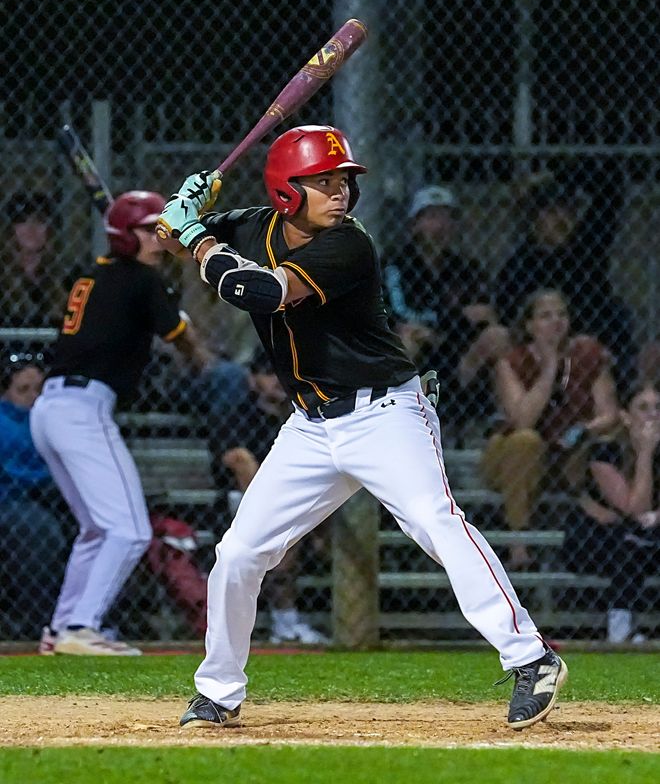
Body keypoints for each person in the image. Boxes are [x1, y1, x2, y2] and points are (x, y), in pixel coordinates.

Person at [156, 124, 567, 731]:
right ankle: (219, 692)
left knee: (435, 521)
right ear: (286, 193)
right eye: (322, 181)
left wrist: (195, 234)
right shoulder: (250, 226)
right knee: (238, 552)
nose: (339, 190)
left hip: (385, 414)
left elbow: (262, 290)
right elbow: (176, 241)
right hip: (310, 427)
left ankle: (531, 657)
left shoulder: (348, 246)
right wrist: (184, 212)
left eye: (342, 179)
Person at [30, 190, 211, 656]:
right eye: (149, 229)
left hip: (53, 410)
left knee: (97, 529)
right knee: (129, 530)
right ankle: (80, 628)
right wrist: (186, 330)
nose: (159, 236)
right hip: (82, 410)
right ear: (125, 236)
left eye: (160, 228)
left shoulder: (99, 273)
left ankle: (62, 628)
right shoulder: (141, 280)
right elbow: (187, 347)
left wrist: (171, 310)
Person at [482, 289, 619, 569]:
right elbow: (522, 420)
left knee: (614, 433)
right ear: (529, 325)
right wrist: (550, 368)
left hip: (567, 452)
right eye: (545, 316)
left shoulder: (588, 354)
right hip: (513, 456)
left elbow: (609, 413)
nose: (556, 321)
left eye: (561, 314)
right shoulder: (510, 362)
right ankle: (518, 545)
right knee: (526, 441)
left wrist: (584, 428)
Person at [207, 348, 330, 644]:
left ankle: (287, 622)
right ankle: (284, 623)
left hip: (291, 500)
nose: (275, 380)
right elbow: (241, 465)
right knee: (284, 526)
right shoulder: (237, 414)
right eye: (267, 374)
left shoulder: (302, 418)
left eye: (281, 374)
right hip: (241, 501)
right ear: (253, 379)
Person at [383, 185, 509, 435]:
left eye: (446, 217)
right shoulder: (395, 263)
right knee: (408, 338)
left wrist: (444, 325)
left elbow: (484, 315)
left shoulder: (466, 268)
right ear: (415, 225)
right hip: (419, 342)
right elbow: (399, 312)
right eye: (431, 217)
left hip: (457, 347)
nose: (440, 225)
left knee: (498, 336)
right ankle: (393, 416)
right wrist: (454, 318)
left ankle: (492, 417)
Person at [494, 171, 637, 390]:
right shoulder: (520, 264)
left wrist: (557, 174)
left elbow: (611, 186)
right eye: (552, 212)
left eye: (568, 212)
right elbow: (509, 316)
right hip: (541, 349)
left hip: (592, 337)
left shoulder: (586, 248)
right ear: (536, 219)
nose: (562, 219)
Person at [563, 381, 660, 642]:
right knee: (631, 540)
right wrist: (645, 454)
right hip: (599, 538)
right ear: (626, 417)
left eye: (658, 408)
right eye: (643, 408)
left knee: (640, 538)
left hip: (648, 536)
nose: (653, 415)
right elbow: (633, 507)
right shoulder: (604, 452)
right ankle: (620, 628)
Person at [0, 349, 68, 638]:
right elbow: (13, 474)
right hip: (11, 500)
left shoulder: (49, 419)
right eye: (23, 390)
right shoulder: (4, 422)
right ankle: (37, 622)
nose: (32, 397)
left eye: (38, 389)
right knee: (39, 530)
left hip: (50, 497)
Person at [1, 191, 68, 328]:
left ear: (50, 230)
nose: (31, 227)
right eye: (22, 221)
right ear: (10, 230)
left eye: (40, 220)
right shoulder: (3, 278)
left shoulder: (64, 278)